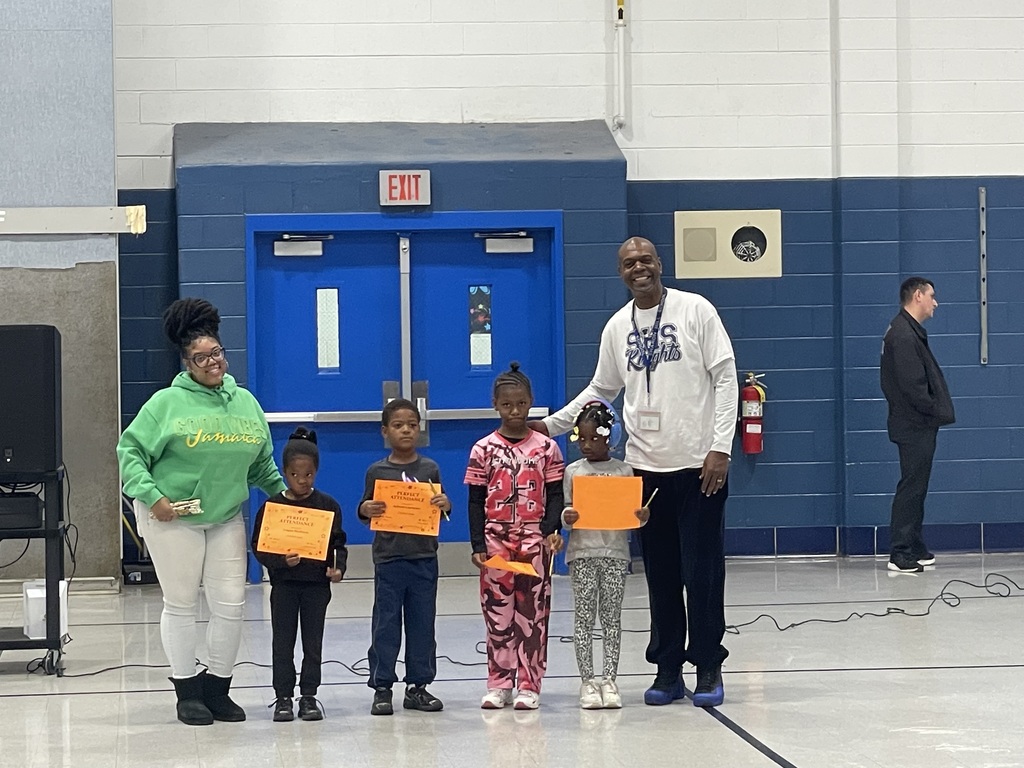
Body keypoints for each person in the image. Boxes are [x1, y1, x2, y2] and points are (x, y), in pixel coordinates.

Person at [531, 236, 738, 708]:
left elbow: (726, 378)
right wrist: (550, 424)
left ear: (659, 264)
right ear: (620, 272)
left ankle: (707, 664)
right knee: (661, 575)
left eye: (645, 259)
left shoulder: (695, 310)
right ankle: (667, 669)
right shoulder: (616, 326)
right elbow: (600, 391)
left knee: (702, 574)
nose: (638, 268)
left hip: (699, 468)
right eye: (628, 263)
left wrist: (720, 449)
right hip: (643, 474)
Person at [117, 298, 286, 726]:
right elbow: (130, 453)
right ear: (186, 363)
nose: (212, 362)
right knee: (181, 603)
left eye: (216, 353)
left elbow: (262, 463)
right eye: (200, 358)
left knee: (231, 603)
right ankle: (186, 689)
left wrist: (287, 498)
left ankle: (218, 688)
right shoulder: (166, 404)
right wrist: (152, 497)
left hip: (225, 514)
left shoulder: (245, 402)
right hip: (172, 516)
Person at [466, 362, 565, 711]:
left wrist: (552, 530)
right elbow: (475, 499)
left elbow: (555, 494)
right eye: (507, 404)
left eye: (521, 404)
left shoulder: (546, 448)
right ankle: (499, 682)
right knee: (498, 614)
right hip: (496, 542)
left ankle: (529, 683)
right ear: (495, 404)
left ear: (531, 402)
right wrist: (478, 543)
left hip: (534, 543)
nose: (514, 411)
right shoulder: (483, 449)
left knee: (531, 614)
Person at [357, 398, 451, 716]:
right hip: (389, 559)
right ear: (385, 431)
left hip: (424, 558)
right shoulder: (377, 471)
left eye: (412, 424)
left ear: (420, 428)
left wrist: (444, 504)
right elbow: (365, 508)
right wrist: (365, 509)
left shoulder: (429, 469)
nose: (406, 430)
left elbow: (442, 510)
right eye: (398, 425)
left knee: (422, 624)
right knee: (386, 625)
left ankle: (418, 687)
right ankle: (382, 687)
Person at [251, 427, 347, 722]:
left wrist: (337, 567)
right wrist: (281, 562)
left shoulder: (328, 505)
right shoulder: (272, 506)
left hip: (316, 586)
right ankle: (283, 697)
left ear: (316, 472)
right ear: (285, 472)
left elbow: (338, 543)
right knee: (282, 642)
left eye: (308, 475)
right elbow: (259, 547)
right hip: (284, 586)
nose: (302, 481)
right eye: (295, 475)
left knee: (312, 642)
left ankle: (308, 695)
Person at [561, 400, 649, 709]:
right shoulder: (573, 472)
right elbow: (566, 510)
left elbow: (633, 518)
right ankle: (587, 682)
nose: (586, 445)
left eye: (594, 438)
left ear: (609, 438)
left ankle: (610, 679)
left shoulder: (624, 471)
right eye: (581, 439)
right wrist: (567, 517)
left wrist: (642, 515)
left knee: (612, 619)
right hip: (583, 554)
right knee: (584, 619)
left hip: (615, 553)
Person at [880, 276, 955, 574]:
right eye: (932, 296)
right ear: (918, 296)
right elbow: (913, 387)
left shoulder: (906, 331)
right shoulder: (903, 335)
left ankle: (914, 544)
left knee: (917, 486)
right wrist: (933, 409)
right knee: (911, 487)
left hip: (915, 423)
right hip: (913, 424)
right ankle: (900, 552)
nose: (935, 303)